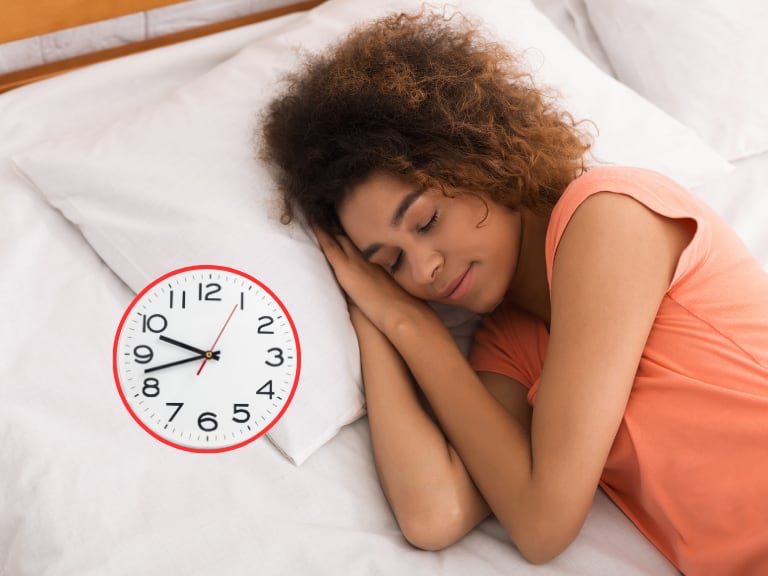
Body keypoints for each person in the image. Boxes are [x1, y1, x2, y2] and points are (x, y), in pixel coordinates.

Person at [259, 10, 768, 575]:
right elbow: (435, 513)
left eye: (426, 221)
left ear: (480, 155)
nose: (424, 269)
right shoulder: (510, 346)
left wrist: (413, 327)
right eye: (391, 262)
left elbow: (542, 527)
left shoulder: (609, 218)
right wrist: (380, 317)